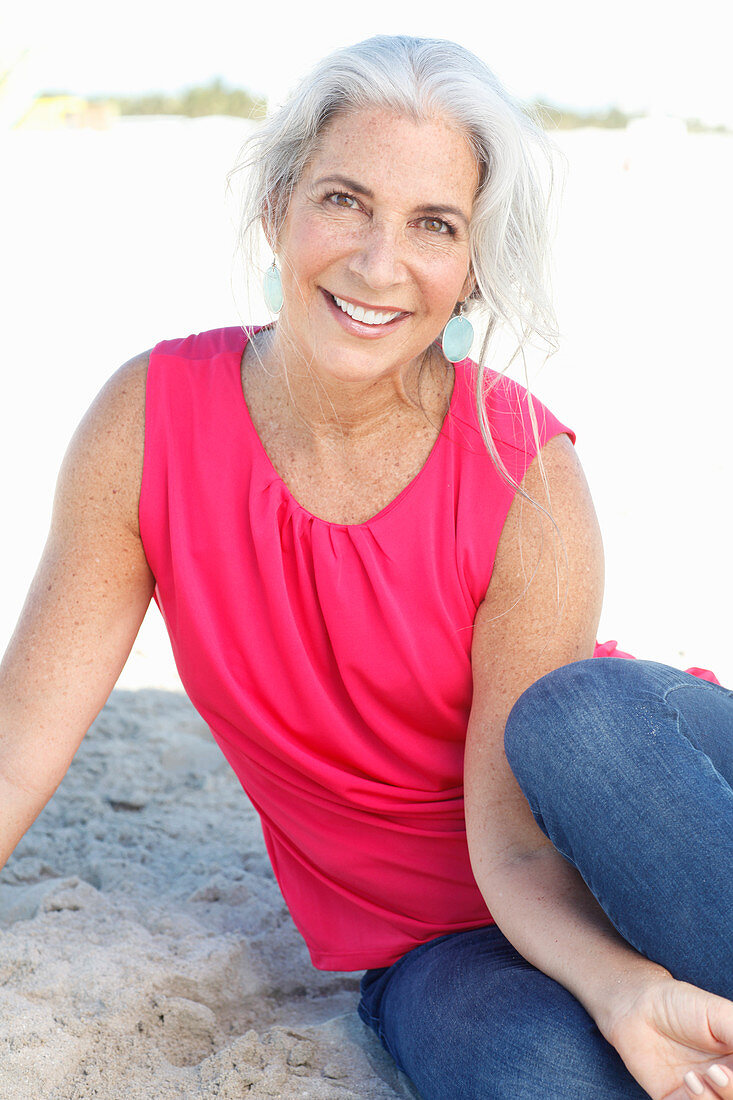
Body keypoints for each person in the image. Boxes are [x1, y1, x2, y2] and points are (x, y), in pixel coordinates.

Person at [1, 34, 731, 1100]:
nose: (379, 261)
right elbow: (19, 743)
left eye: (433, 224)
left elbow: (522, 843)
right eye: (345, 200)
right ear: (279, 206)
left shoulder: (522, 469)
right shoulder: (149, 426)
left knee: (574, 717)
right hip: (442, 944)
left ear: (471, 265)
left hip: (650, 811)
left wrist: (623, 976)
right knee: (535, 1073)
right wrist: (620, 995)